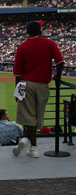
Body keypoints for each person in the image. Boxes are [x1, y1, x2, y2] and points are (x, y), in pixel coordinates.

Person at [12, 20, 64, 158]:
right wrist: (57, 76)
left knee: (29, 117)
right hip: (43, 85)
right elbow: (60, 62)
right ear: (40, 31)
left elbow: (17, 74)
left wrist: (17, 92)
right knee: (37, 116)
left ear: (27, 32)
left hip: (26, 84)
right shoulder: (49, 43)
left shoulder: (22, 47)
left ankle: (32, 145)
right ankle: (29, 141)